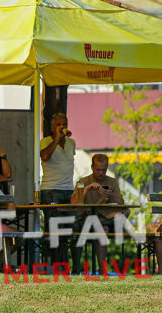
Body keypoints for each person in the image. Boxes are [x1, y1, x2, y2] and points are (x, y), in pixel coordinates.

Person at [71, 154, 129, 273]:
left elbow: (121, 202)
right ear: (92, 167)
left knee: (113, 220)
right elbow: (74, 203)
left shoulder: (112, 182)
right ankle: (97, 269)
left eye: (104, 169)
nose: (101, 173)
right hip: (86, 220)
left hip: (105, 219)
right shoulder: (83, 182)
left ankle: (102, 269)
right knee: (102, 228)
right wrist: (87, 189)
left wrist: (109, 195)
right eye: (98, 169)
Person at [39, 113, 76, 264]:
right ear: (52, 127)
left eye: (64, 124)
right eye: (58, 125)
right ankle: (53, 264)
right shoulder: (45, 141)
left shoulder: (71, 143)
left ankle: (66, 263)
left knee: (71, 227)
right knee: (54, 228)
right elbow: (45, 156)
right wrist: (56, 139)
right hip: (51, 190)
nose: (62, 127)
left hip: (68, 190)